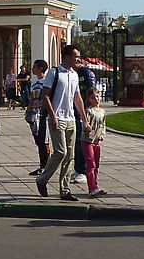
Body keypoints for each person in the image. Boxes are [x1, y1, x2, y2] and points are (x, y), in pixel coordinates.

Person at [36, 45, 92, 201]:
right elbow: (45, 95)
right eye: (76, 56)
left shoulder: (74, 74)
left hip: (71, 119)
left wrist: (85, 119)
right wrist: (53, 117)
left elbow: (77, 98)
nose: (78, 59)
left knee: (70, 156)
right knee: (61, 153)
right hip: (57, 118)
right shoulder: (55, 72)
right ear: (66, 56)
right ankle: (42, 180)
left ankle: (65, 190)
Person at [71, 54, 97, 185]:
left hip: (84, 113)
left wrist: (87, 112)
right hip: (75, 111)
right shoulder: (72, 73)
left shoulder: (86, 74)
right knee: (76, 142)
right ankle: (79, 168)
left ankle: (84, 171)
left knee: (83, 141)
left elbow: (91, 93)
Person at [25, 59, 50, 176]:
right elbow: (32, 97)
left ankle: (46, 166)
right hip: (34, 115)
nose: (32, 68)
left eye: (34, 66)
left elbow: (47, 98)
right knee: (38, 140)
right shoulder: (34, 82)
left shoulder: (47, 82)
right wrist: (30, 106)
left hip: (43, 115)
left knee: (43, 141)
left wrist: (39, 105)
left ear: (40, 68)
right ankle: (42, 165)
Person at [81, 89, 107, 198]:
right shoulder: (89, 111)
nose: (96, 99)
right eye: (93, 97)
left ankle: (95, 184)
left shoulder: (102, 112)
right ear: (89, 99)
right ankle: (92, 187)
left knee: (96, 164)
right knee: (91, 163)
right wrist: (87, 128)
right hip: (88, 141)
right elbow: (85, 124)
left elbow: (103, 125)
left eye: (97, 96)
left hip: (97, 141)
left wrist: (102, 134)